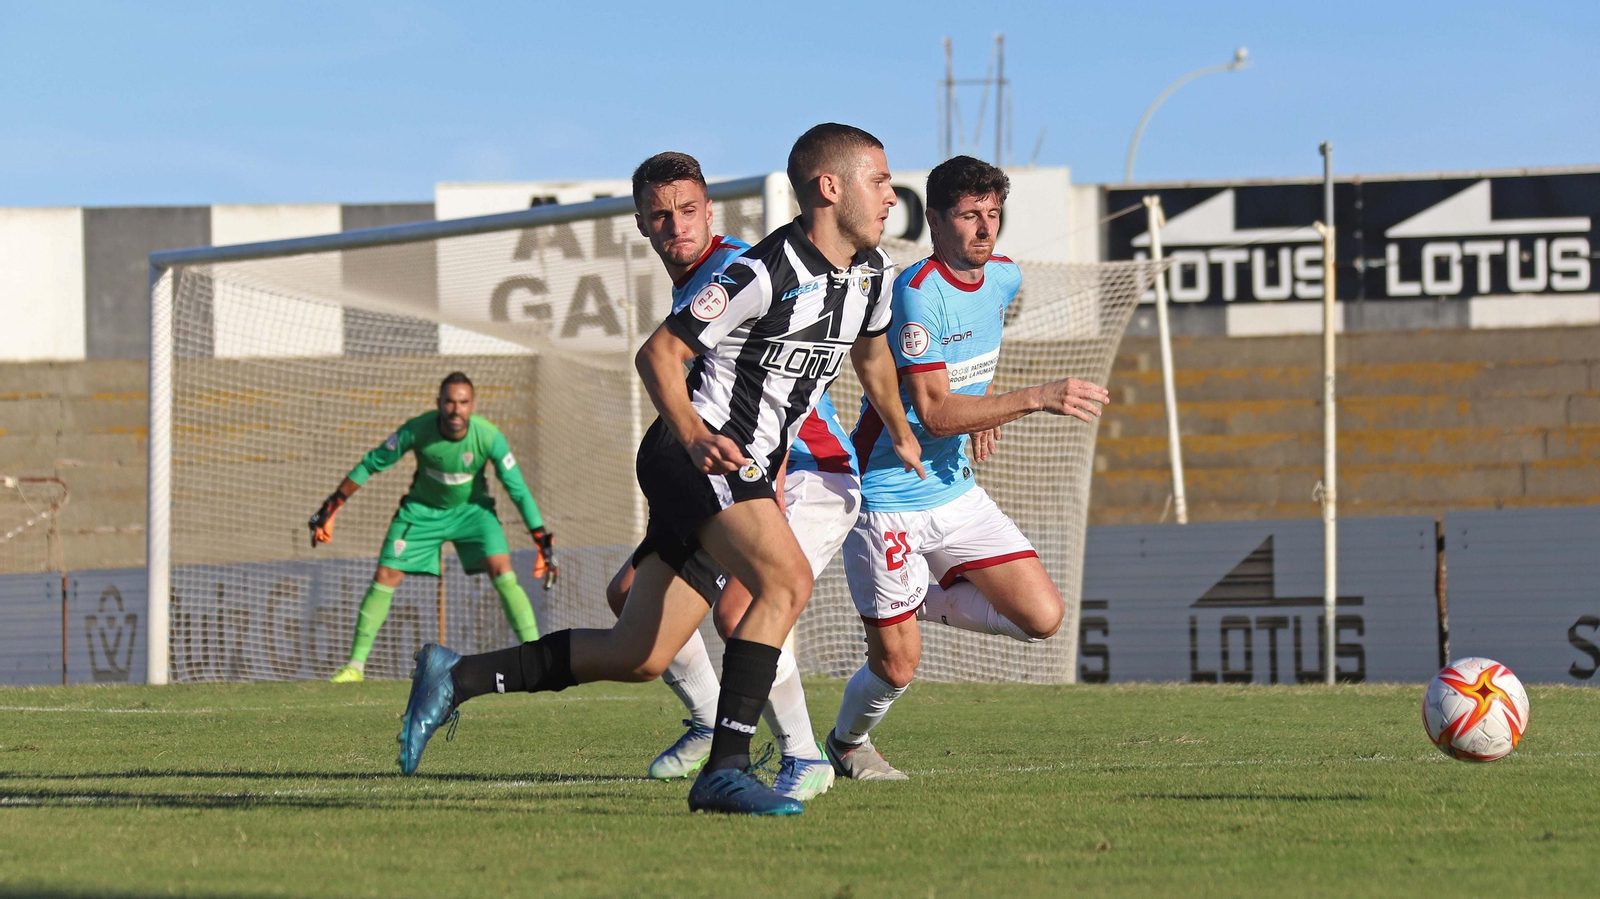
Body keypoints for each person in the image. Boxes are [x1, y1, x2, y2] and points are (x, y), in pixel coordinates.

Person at [395, 124, 924, 817]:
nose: (890, 194)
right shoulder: (760, 271)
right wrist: (696, 433)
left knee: (640, 650)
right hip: (697, 457)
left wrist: (900, 427)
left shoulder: (872, 273)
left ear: (709, 210)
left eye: (686, 209)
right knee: (781, 582)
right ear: (832, 187)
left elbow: (875, 354)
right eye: (880, 180)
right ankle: (737, 764)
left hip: (748, 467)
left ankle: (456, 675)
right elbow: (657, 355)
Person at [826, 156, 1110, 780]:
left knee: (1043, 617)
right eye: (968, 216)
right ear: (933, 218)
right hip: (888, 498)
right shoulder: (916, 292)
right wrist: (1032, 398)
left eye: (993, 215)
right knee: (898, 668)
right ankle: (848, 743)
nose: (985, 229)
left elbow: (967, 374)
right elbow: (928, 411)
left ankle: (917, 601)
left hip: (955, 493)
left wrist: (984, 413)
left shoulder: (1004, 279)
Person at [603, 152, 853, 800]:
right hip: (733, 468)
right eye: (659, 216)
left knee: (743, 606)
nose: (675, 226)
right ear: (641, 224)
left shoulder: (734, 270)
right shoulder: (692, 285)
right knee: (630, 597)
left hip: (804, 468)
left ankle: (805, 756)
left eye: (687, 211)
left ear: (709, 210)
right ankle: (710, 719)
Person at [309, 372, 557, 683]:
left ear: (473, 405)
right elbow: (371, 463)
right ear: (438, 403)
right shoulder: (417, 430)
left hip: (473, 513)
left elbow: (517, 488)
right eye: (450, 402)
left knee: (502, 570)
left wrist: (540, 538)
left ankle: (533, 660)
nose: (456, 409)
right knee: (386, 573)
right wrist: (332, 506)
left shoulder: (489, 436)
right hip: (422, 511)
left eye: (463, 402)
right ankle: (354, 668)